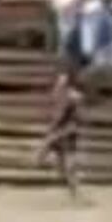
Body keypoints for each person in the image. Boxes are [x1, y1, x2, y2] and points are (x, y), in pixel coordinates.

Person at [37, 68, 87, 205]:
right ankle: (74, 191)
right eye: (60, 78)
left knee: (66, 164)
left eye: (63, 78)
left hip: (66, 132)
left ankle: (76, 193)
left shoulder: (72, 96)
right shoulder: (59, 93)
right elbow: (56, 114)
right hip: (60, 132)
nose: (61, 80)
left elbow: (68, 115)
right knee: (55, 161)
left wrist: (55, 129)